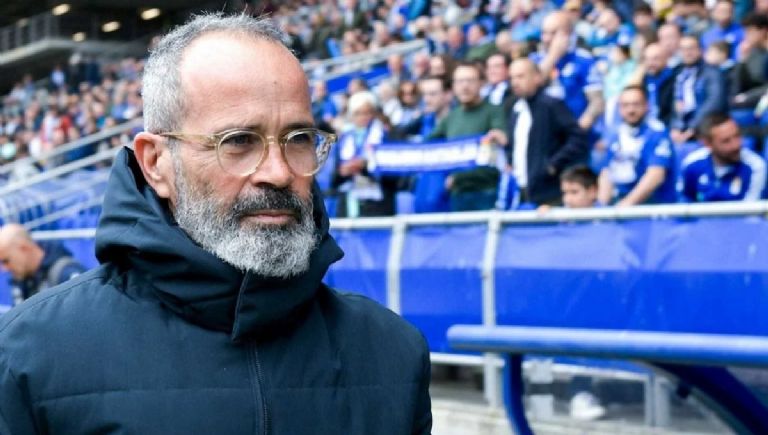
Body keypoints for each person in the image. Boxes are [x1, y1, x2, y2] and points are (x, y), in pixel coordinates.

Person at [0, 14, 432, 433]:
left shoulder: (393, 352)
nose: (279, 172)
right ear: (155, 162)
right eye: (239, 141)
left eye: (299, 139)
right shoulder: (29, 358)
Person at [506, 58, 589, 206]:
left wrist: (552, 165)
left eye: (520, 76)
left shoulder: (551, 105)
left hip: (550, 193)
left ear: (537, 77)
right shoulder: (516, 110)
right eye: (512, 78)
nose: (515, 82)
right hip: (523, 191)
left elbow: (577, 138)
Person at [430, 62, 508, 211]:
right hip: (458, 192)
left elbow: (502, 137)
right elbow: (426, 145)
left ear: (481, 83)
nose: (465, 86)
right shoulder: (451, 117)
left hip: (488, 191)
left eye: (470, 80)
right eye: (460, 81)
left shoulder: (494, 110)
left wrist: (498, 137)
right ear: (453, 86)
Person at [598, 86, 677, 206]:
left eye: (636, 104)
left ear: (646, 106)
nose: (631, 110)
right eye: (625, 105)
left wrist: (625, 206)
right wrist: (601, 208)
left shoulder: (657, 132)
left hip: (654, 207)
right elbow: (607, 174)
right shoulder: (615, 134)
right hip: (621, 204)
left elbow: (656, 175)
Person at [532, 11, 604, 131]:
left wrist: (576, 132)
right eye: (544, 33)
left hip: (575, 130)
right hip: (543, 132)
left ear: (568, 34)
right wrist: (553, 56)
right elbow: (534, 86)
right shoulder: (535, 60)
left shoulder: (583, 60)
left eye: (553, 33)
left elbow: (597, 102)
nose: (546, 39)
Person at [681, 113, 767, 201]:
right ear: (708, 144)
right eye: (726, 141)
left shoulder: (755, 166)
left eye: (737, 136)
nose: (736, 145)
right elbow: (686, 203)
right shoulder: (691, 164)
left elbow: (751, 208)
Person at [0, 223, 85, 306]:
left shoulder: (64, 273)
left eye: (6, 261)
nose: (4, 269)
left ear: (24, 248)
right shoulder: (20, 279)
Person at [670, 35, 727, 145]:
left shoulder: (713, 73)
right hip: (684, 127)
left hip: (706, 127)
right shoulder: (679, 74)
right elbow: (676, 104)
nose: (687, 53)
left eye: (691, 48)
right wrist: (675, 127)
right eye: (683, 49)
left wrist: (693, 128)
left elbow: (714, 103)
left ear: (700, 50)